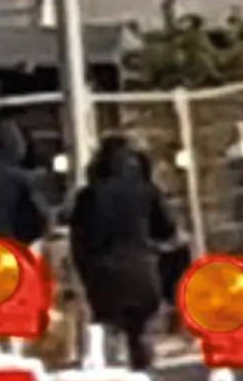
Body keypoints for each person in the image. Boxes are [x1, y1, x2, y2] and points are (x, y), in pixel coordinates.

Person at [70, 133, 187, 355]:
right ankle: (142, 357)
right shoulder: (146, 191)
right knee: (139, 324)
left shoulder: (87, 196)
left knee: (108, 324)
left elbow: (79, 240)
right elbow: (167, 230)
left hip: (101, 275)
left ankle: (107, 359)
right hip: (141, 271)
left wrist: (86, 275)